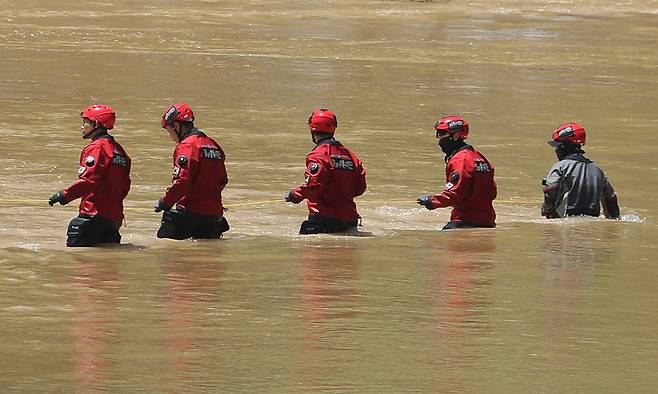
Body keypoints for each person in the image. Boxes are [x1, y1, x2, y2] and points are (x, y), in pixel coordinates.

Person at [48, 104, 131, 247]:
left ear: (96, 124)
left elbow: (89, 180)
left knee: (79, 262)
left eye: (85, 122)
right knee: (106, 264)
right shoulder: (120, 151)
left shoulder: (96, 148)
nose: (82, 127)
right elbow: (125, 186)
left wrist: (64, 195)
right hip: (114, 219)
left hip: (93, 214)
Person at [154, 102, 230, 239]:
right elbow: (222, 180)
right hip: (214, 216)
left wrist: (165, 202)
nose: (170, 136)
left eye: (168, 130)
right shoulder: (213, 145)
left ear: (176, 126)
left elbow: (182, 181)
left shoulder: (187, 146)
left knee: (168, 253)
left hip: (189, 214)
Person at [285, 108, 367, 234]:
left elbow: (314, 185)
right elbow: (360, 188)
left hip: (323, 220)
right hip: (349, 220)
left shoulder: (318, 155)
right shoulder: (351, 156)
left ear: (312, 128)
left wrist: (295, 195)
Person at [416, 116, 496, 230]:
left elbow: (455, 193)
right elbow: (492, 192)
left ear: (456, 135)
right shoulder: (481, 158)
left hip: (464, 222)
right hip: (487, 222)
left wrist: (431, 201)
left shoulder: (460, 160)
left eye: (442, 133)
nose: (438, 138)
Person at [541, 122, 620, 219]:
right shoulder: (598, 171)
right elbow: (611, 203)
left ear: (563, 147)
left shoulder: (560, 167)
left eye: (557, 146)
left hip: (565, 225)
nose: (556, 150)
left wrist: (546, 211)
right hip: (592, 226)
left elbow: (550, 193)